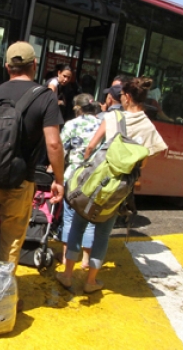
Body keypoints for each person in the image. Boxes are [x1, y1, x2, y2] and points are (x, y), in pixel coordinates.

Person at [57, 77, 167, 294]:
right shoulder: (149, 127)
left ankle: (67, 275)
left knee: (78, 225)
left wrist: (85, 169)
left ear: (127, 97)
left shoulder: (113, 117)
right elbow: (143, 162)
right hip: (119, 187)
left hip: (96, 179)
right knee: (102, 234)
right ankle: (91, 281)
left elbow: (90, 147)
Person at [0, 41, 65, 273]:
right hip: (20, 182)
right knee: (10, 243)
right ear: (35, 64)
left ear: (7, 66)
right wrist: (59, 180)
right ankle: (1, 291)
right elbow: (53, 143)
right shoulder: (45, 97)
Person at [59, 94, 101, 270]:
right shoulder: (102, 124)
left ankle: (66, 256)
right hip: (96, 176)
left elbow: (61, 149)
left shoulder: (71, 124)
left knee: (69, 217)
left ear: (77, 108)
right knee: (90, 218)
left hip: (74, 176)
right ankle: (85, 259)